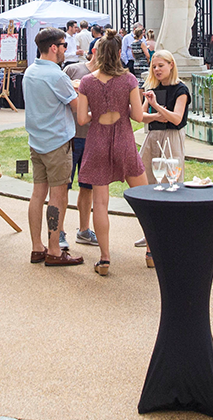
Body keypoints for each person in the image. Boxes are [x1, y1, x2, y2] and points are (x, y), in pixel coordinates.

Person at [76, 30, 148, 275]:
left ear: (96, 52)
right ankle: (151, 251)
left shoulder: (87, 82)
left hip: (97, 140)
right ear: (119, 53)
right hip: (124, 140)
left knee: (100, 203)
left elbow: (82, 119)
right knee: (145, 198)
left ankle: (105, 259)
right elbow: (138, 116)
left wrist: (96, 111)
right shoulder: (129, 80)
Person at [23, 27, 83, 267]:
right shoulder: (57, 76)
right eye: (64, 45)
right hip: (57, 142)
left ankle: (37, 247)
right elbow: (77, 107)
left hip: (37, 140)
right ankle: (55, 250)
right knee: (58, 196)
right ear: (53, 48)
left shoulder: (30, 72)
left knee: (38, 194)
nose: (65, 50)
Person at [136, 49, 190, 262]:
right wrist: (157, 115)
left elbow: (176, 119)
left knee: (171, 184)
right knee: (149, 184)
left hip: (172, 138)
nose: (157, 70)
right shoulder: (152, 88)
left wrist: (157, 108)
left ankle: (172, 235)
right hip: (153, 138)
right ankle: (151, 234)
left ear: (171, 65)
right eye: (154, 66)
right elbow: (141, 116)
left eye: (161, 65)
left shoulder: (181, 89)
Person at [63, 53, 97, 248]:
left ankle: (84, 230)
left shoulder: (108, 76)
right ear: (94, 52)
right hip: (70, 136)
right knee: (62, 186)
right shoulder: (72, 69)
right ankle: (59, 232)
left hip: (92, 138)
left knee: (87, 187)